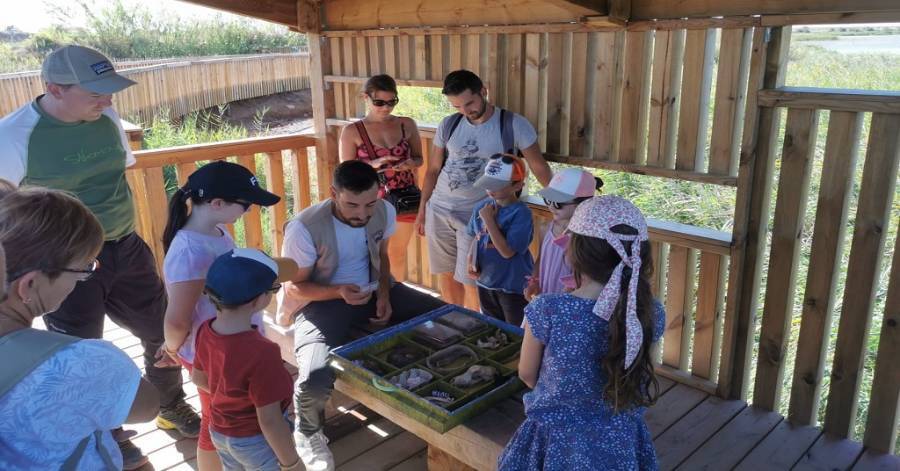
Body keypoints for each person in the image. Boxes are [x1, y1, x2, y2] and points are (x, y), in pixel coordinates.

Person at [0, 45, 198, 467]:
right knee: (81, 345)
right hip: (63, 263)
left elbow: (113, 176)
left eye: (110, 90)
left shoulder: (106, 118)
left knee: (161, 330)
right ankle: (107, 429)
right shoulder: (14, 135)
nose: (108, 100)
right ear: (54, 88)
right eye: (96, 92)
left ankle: (170, 405)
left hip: (124, 244)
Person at [276, 160, 445, 471]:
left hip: (371, 290)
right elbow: (294, 288)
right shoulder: (305, 227)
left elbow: (382, 257)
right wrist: (339, 292)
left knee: (447, 315)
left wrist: (383, 293)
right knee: (314, 377)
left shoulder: (384, 210)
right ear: (333, 194)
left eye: (369, 203)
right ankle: (309, 431)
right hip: (323, 302)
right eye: (352, 205)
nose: (362, 214)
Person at [497, 195, 667, 471]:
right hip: (619, 441)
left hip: (556, 442)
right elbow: (644, 369)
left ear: (575, 251)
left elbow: (527, 374)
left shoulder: (549, 309)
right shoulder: (649, 311)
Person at [0, 187, 160, 470]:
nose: (82, 279)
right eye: (82, 269)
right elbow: (148, 407)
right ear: (29, 284)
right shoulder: (80, 363)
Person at [157, 161, 281, 470]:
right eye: (246, 205)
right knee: (217, 420)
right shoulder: (189, 252)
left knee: (229, 415)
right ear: (216, 204)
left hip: (230, 345)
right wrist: (173, 349)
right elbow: (177, 320)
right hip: (212, 353)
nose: (249, 210)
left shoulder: (217, 231)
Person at [416, 69, 553, 310]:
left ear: (484, 91)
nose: (465, 111)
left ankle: (473, 326)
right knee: (445, 275)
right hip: (439, 206)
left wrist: (557, 203)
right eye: (457, 106)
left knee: (473, 279)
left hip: (479, 213)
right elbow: (433, 170)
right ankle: (453, 324)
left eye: (469, 103)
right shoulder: (449, 124)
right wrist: (422, 209)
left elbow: (538, 166)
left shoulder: (513, 124)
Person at [192, 248, 301, 471]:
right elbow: (270, 421)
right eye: (273, 288)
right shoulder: (263, 352)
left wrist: (231, 395)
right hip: (255, 440)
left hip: (220, 432)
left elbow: (199, 379)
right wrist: (292, 464)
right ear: (259, 299)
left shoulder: (205, 331)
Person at [339, 74, 424, 282]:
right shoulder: (352, 131)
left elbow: (419, 158)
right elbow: (345, 172)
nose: (386, 108)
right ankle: (371, 297)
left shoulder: (406, 124)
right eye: (379, 103)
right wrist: (372, 166)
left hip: (404, 199)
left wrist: (409, 164)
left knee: (397, 254)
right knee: (370, 254)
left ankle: (395, 298)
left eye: (391, 102)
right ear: (365, 98)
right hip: (369, 202)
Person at [465, 154, 534, 326]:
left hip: (512, 287)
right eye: (488, 183)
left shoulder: (521, 213)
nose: (490, 189)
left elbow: (507, 252)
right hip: (486, 281)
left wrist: (489, 220)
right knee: (492, 327)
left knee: (514, 329)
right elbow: (476, 236)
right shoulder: (481, 207)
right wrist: (470, 260)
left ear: (518, 185)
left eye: (497, 185)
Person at [524, 168, 603, 302]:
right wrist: (534, 281)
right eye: (548, 200)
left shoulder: (588, 238)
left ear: (583, 203)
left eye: (558, 203)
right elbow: (540, 259)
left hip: (570, 300)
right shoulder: (546, 228)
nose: (551, 207)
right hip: (545, 294)